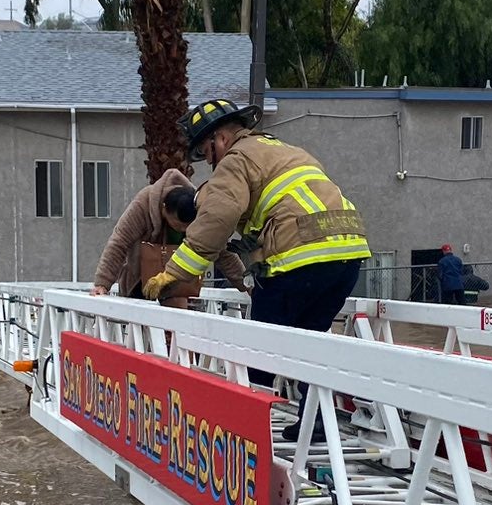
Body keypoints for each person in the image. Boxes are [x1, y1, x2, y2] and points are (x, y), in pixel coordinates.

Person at [145, 100, 370, 374]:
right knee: (311, 349)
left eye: (207, 152)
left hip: (300, 260)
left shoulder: (235, 160)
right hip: (349, 255)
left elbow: (216, 220)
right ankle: (316, 416)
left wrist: (172, 273)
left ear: (222, 138)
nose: (211, 162)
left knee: (259, 354)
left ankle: (258, 411)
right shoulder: (286, 150)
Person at [90, 169, 248, 296]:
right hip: (139, 284)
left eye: (188, 227)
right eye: (178, 225)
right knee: (140, 333)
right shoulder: (144, 203)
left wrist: (246, 285)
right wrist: (102, 284)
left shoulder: (200, 209)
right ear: (164, 208)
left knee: (176, 332)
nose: (183, 230)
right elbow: (119, 242)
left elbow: (221, 252)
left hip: (180, 287)